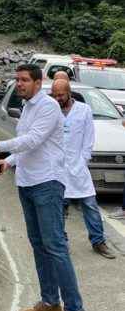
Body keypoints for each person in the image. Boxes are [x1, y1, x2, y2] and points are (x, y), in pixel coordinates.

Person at [0, 64, 88, 311]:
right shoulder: (28, 107)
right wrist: (8, 161)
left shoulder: (48, 106)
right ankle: (50, 302)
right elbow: (28, 147)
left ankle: (75, 310)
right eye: (17, 79)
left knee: (55, 246)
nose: (19, 84)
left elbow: (33, 139)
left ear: (37, 82)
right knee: (39, 245)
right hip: (27, 183)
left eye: (24, 80)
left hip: (47, 183)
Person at [50, 79, 114, 259]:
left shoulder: (83, 110)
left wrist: (82, 161)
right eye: (54, 95)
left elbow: (88, 140)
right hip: (58, 169)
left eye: (61, 95)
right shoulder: (51, 110)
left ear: (69, 93)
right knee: (59, 209)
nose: (57, 98)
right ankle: (61, 243)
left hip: (79, 168)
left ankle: (98, 241)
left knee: (90, 206)